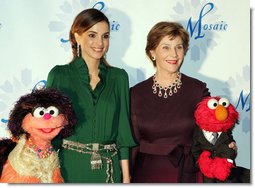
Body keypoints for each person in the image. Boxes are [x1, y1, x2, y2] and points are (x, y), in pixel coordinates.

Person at [130, 21, 236, 183]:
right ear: (152, 53)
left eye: (179, 47)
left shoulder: (197, 89)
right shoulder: (136, 93)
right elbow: (131, 143)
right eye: (166, 47)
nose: (174, 54)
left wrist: (226, 146)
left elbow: (213, 129)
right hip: (147, 174)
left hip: (188, 173)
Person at [46, 8, 136, 183]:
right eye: (92, 35)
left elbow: (123, 133)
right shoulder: (59, 75)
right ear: (77, 36)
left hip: (109, 170)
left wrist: (126, 177)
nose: (100, 42)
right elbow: (48, 131)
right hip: (69, 168)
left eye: (105, 36)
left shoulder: (119, 78)